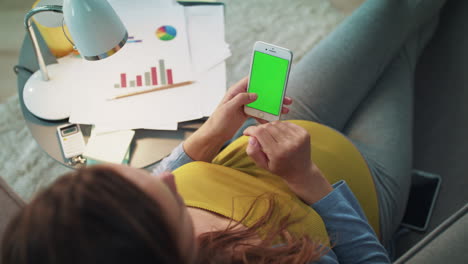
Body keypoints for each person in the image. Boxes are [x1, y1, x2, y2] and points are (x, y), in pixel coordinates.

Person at [1, 0, 447, 263]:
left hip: (267, 130)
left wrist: (209, 136)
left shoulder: (115, 223)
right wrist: (306, 178)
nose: (169, 177)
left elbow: (164, 177)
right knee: (406, 51)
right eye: (171, 203)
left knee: (389, 12)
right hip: (364, 179)